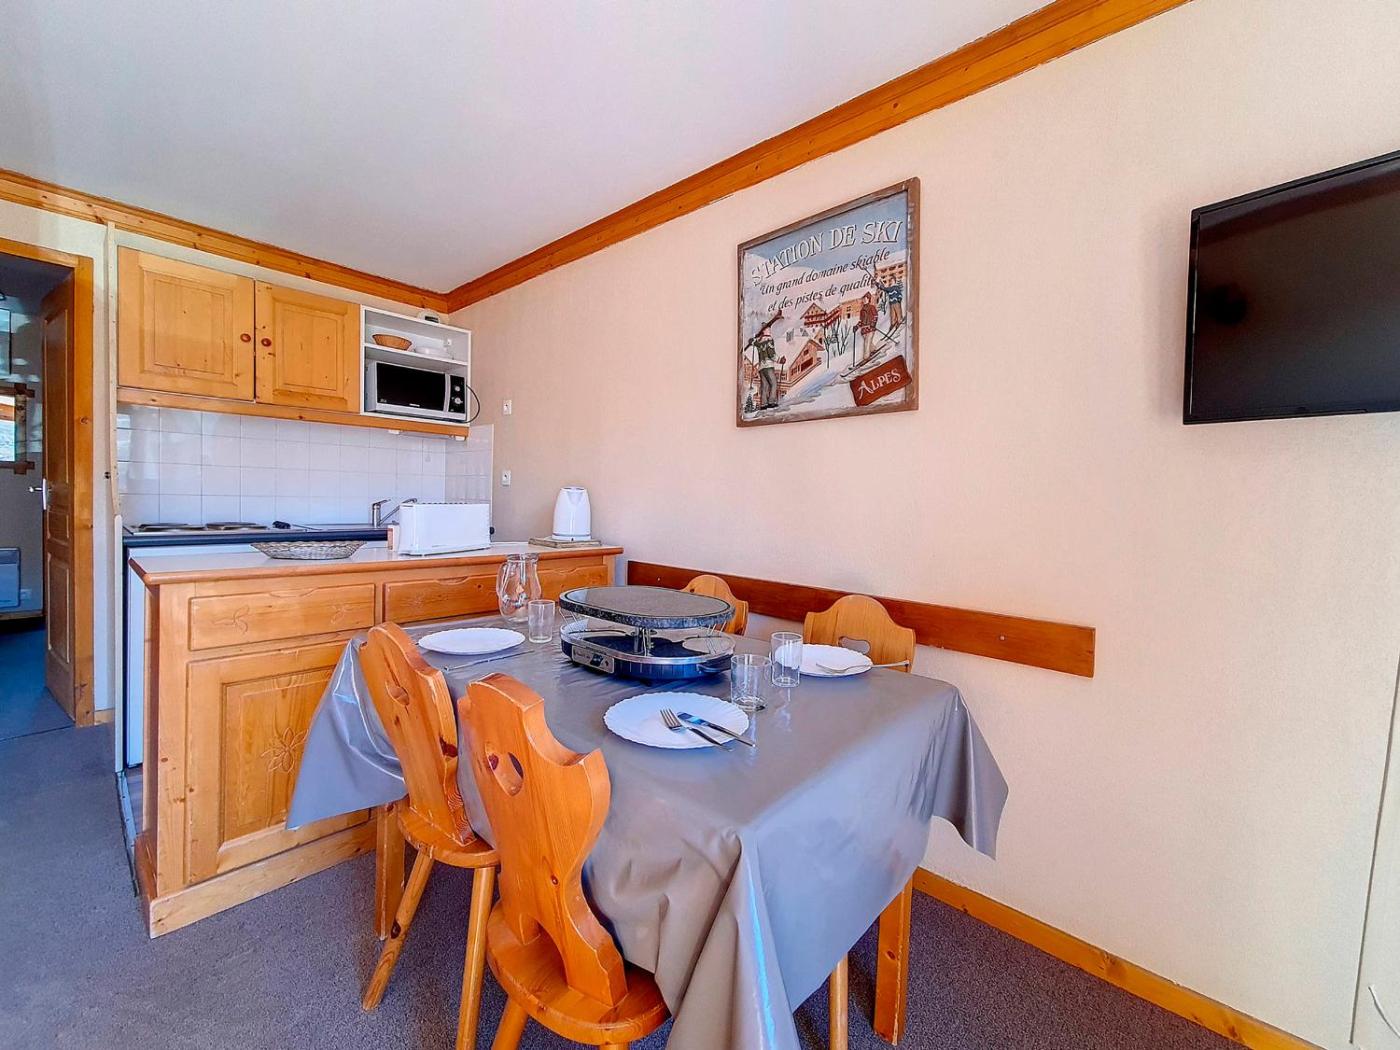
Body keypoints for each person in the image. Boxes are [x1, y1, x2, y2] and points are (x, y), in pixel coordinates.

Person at [858, 292, 878, 364]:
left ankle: (866, 357)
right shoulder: (862, 310)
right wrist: (857, 326)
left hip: (870, 328)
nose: (864, 300)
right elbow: (861, 320)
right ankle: (873, 349)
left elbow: (875, 316)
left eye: (865, 298)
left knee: (867, 342)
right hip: (864, 329)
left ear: (868, 299)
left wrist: (873, 324)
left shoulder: (872, 307)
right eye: (863, 299)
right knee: (868, 341)